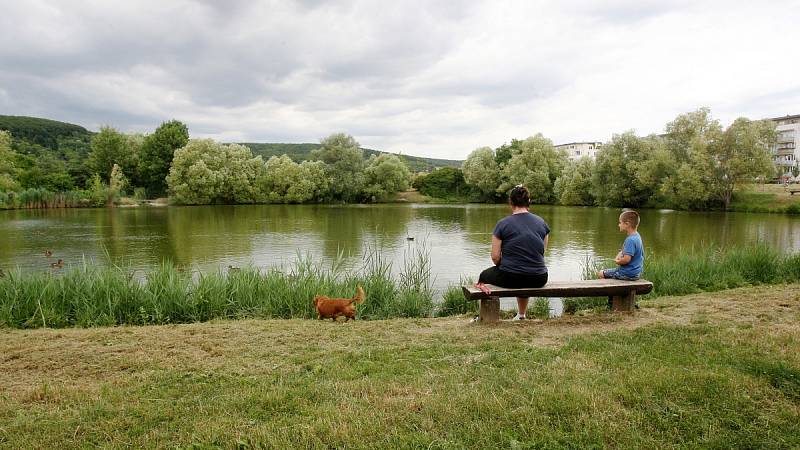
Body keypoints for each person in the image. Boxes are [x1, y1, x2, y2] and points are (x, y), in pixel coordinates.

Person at [476, 185, 549, 321]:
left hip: (511, 277)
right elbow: (542, 251)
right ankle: (521, 315)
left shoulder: (502, 224)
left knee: (484, 275)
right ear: (528, 202)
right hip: (540, 278)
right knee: (523, 273)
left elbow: (495, 257)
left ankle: (484, 316)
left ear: (511, 203)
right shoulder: (541, 223)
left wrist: (506, 265)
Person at [598, 210, 644, 281]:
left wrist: (618, 262)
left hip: (626, 273)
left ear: (627, 224)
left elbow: (626, 260)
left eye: (620, 223)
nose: (618, 225)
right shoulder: (637, 236)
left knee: (601, 273)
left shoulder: (630, 240)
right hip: (636, 273)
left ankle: (608, 290)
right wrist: (619, 254)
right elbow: (625, 251)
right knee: (609, 272)